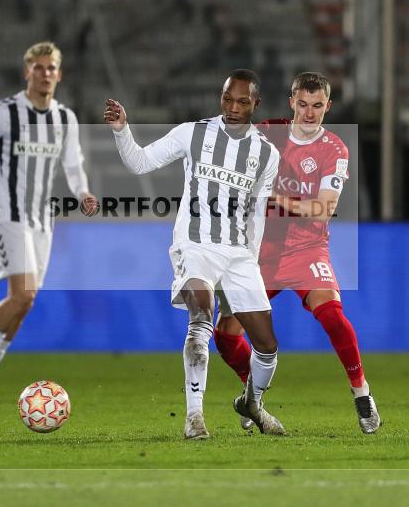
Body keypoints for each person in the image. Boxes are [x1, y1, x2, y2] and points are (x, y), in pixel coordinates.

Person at [104, 70, 285, 440]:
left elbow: (257, 215)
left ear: (256, 104)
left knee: (266, 345)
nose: (233, 108)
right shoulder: (193, 132)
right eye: (227, 99)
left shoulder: (267, 154)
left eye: (242, 102)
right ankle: (194, 419)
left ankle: (252, 402)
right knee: (201, 316)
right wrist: (122, 130)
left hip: (238, 254)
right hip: (195, 244)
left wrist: (251, 264)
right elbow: (140, 162)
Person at [214, 72, 381, 434]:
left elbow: (324, 207)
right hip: (261, 252)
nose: (309, 113)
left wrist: (275, 198)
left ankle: (361, 392)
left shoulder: (334, 148)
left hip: (307, 248)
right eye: (303, 104)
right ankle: (252, 395)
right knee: (225, 334)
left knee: (333, 315)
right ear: (292, 102)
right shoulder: (268, 132)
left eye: (317, 106)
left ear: (328, 107)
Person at [0, 41, 97, 402]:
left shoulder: (65, 118)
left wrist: (82, 193)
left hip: (41, 218)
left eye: (51, 68)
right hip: (7, 214)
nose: (45, 73)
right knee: (23, 295)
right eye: (39, 67)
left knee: (25, 302)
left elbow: (72, 165)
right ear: (27, 72)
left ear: (59, 74)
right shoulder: (4, 112)